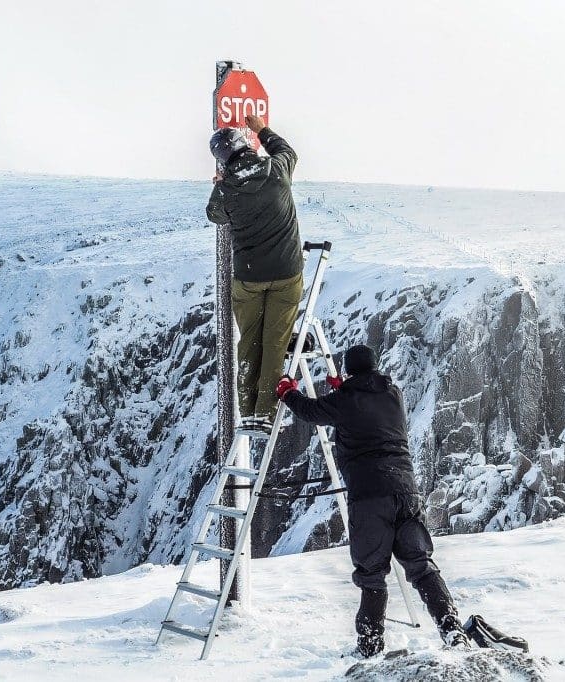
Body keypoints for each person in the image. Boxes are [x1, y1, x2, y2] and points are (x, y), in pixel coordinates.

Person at [274, 345, 470, 657]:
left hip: (369, 496)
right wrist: (345, 389)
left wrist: (287, 392)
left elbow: (310, 411)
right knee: (421, 566)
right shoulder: (393, 394)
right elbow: (364, 403)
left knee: (372, 574)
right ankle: (453, 631)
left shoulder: (344, 402)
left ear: (348, 371)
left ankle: (370, 646)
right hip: (407, 490)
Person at [206, 113, 304, 431]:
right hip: (286, 271)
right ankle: (265, 411)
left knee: (249, 341)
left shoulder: (227, 190)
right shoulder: (277, 170)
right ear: (246, 145)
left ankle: (246, 410)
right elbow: (288, 152)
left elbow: (215, 215)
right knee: (275, 342)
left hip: (248, 277)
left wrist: (222, 186)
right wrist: (262, 131)